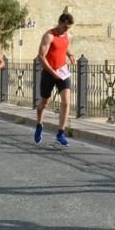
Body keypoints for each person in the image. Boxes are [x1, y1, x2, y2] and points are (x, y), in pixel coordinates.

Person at [34, 13, 75, 147]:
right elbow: (41, 57)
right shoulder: (49, 36)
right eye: (64, 27)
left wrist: (70, 55)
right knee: (44, 103)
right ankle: (39, 125)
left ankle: (60, 133)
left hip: (62, 72)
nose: (65, 30)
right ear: (59, 22)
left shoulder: (68, 36)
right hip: (48, 73)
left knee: (66, 102)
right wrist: (52, 72)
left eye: (68, 28)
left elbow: (64, 47)